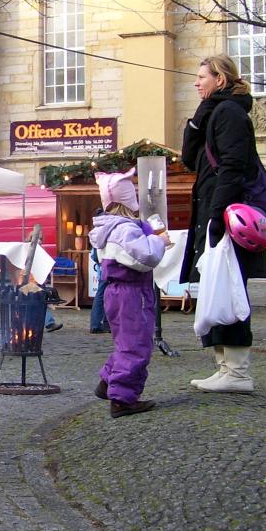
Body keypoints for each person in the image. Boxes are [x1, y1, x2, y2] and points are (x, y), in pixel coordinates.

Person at [179, 54, 266, 393]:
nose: (197, 82)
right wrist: (196, 122)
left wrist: (218, 215)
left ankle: (238, 372)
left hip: (224, 215)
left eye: (203, 76)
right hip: (212, 212)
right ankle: (224, 366)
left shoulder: (229, 112)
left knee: (230, 290)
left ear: (221, 79)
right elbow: (190, 159)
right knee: (215, 288)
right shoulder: (214, 113)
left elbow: (232, 166)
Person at [88, 168, 170, 418]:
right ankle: (122, 399)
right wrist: (160, 241)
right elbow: (144, 258)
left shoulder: (107, 228)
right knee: (136, 345)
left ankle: (108, 382)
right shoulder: (125, 230)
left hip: (115, 293)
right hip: (132, 294)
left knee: (125, 342)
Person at [89, 209, 111, 335]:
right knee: (104, 296)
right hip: (107, 268)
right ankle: (97, 324)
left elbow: (93, 255)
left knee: (103, 296)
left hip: (102, 268)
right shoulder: (105, 232)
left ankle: (101, 323)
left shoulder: (96, 232)